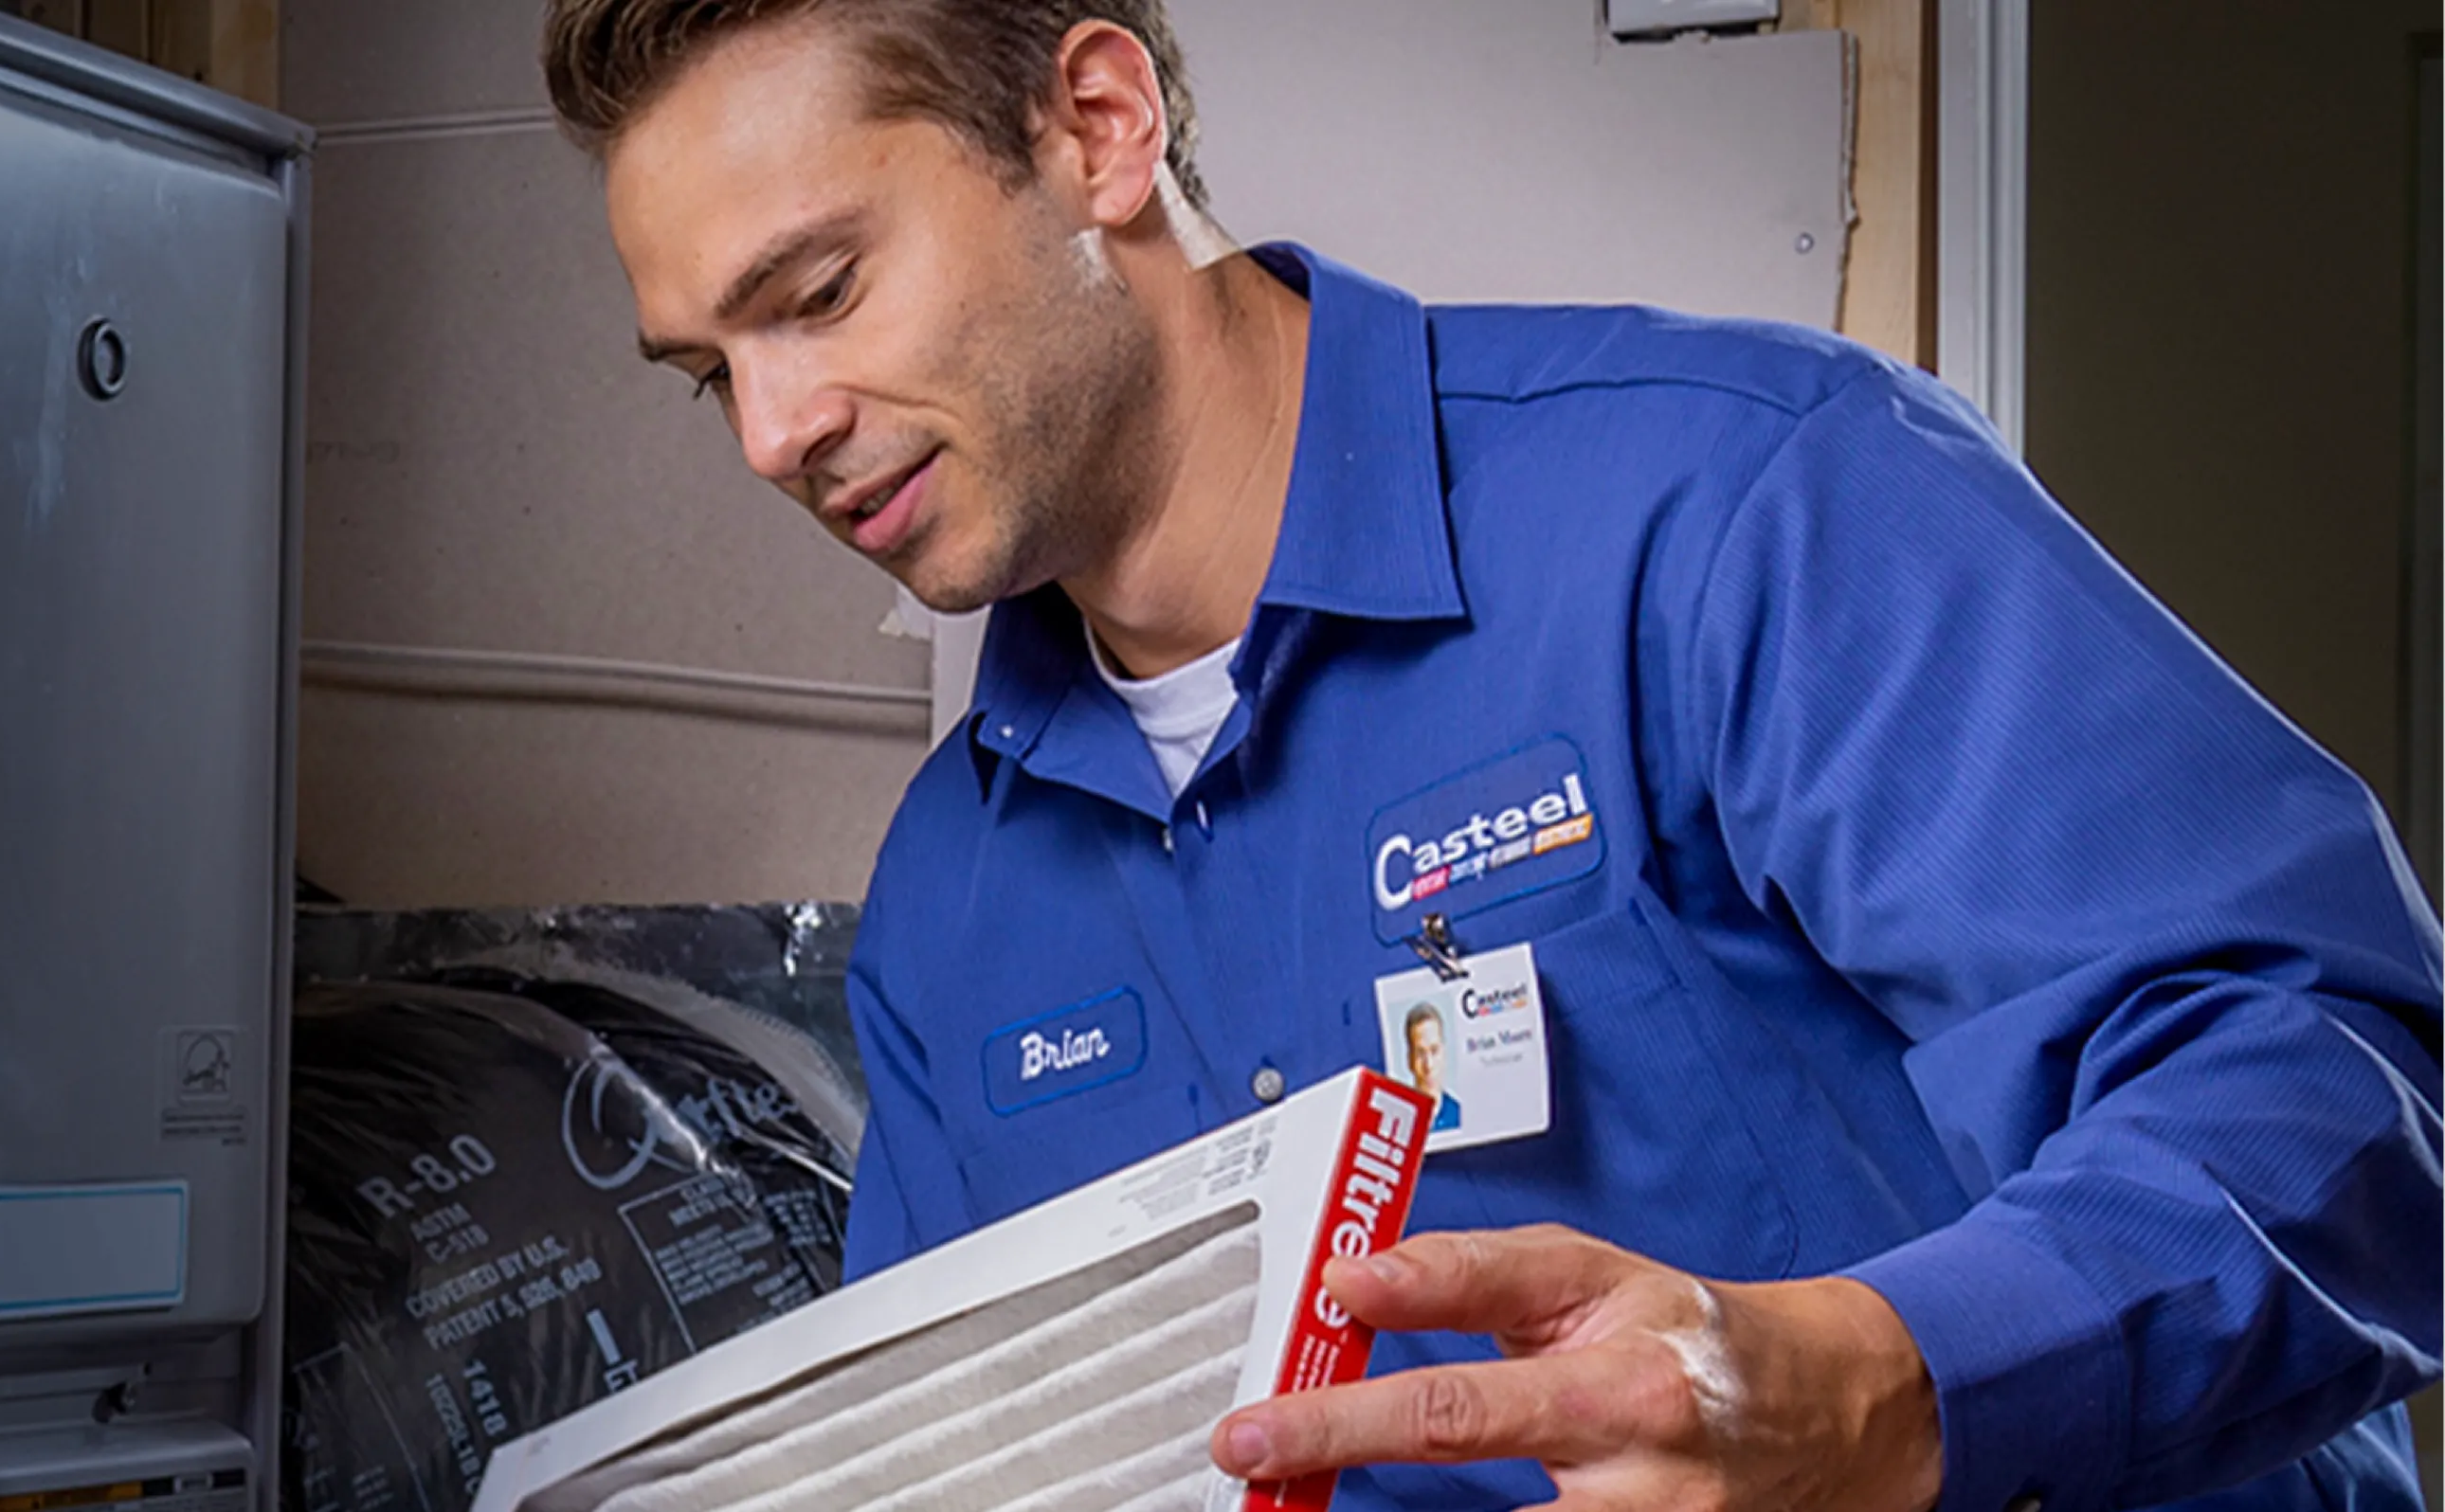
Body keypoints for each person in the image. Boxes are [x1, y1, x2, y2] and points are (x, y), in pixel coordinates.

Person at [532, 2, 2445, 1509]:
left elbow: (2336, 1088)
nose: (773, 432)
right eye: (711, 373)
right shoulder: (954, 892)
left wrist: (1883, 1382)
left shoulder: (1734, 503)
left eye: (817, 295)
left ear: (1094, 129)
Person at [1400, 1002, 1460, 1135]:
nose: (1429, 1065)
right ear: (1409, 1059)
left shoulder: (1460, 1115)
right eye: (1420, 1053)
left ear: (1444, 1054)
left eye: (1434, 1051)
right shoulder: (1400, 1123)